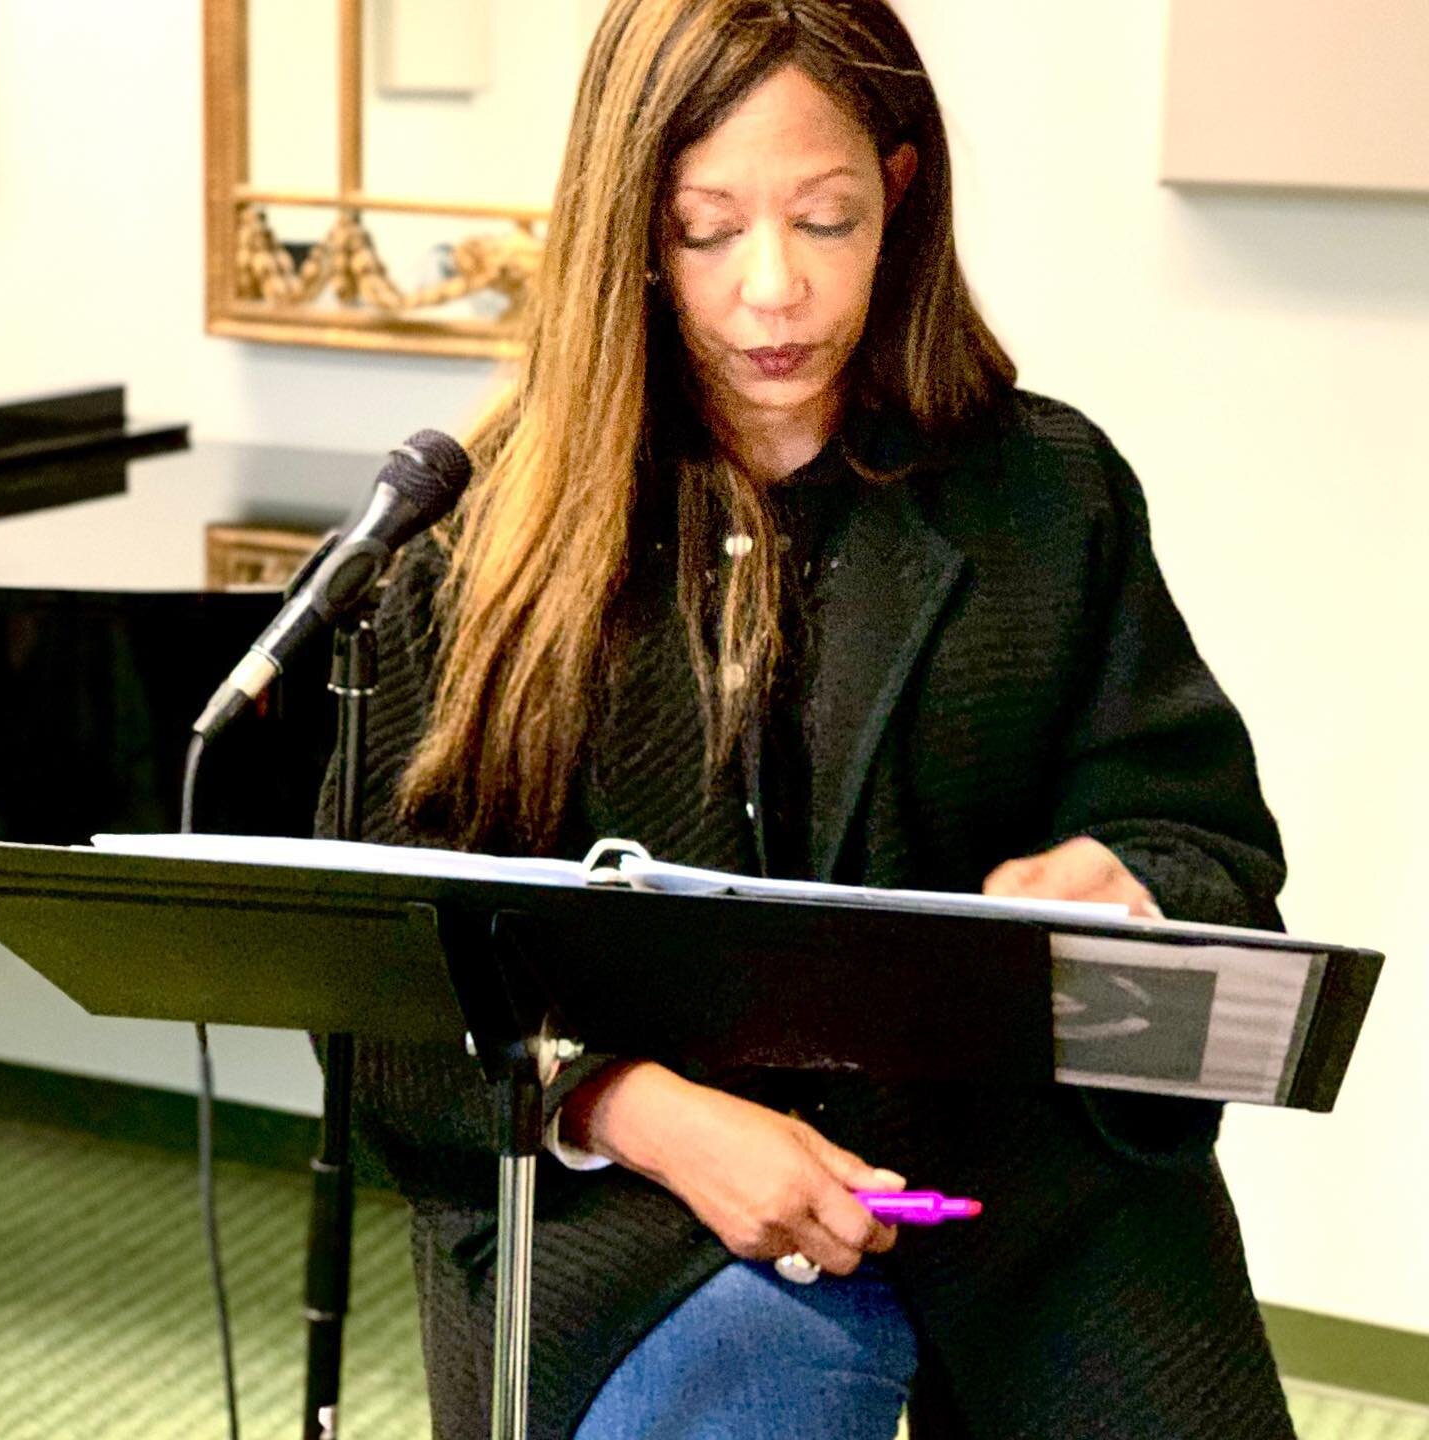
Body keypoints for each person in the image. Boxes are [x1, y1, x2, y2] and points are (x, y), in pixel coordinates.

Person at [323, 1, 1296, 1434]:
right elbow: (377, 1000)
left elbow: (1210, 848)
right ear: (626, 232)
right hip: (645, 1199)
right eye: (706, 230)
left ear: (899, 192)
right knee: (760, 1374)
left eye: (825, 221)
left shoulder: (1050, 493)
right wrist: (634, 1110)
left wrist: (1133, 881)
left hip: (1015, 1176)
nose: (771, 290)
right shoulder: (479, 545)